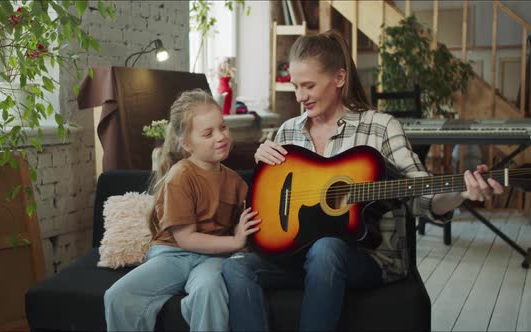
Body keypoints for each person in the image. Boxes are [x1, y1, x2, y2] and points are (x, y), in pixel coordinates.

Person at [221, 30, 504, 331]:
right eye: (295, 86)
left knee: (327, 249)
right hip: (296, 254)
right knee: (236, 267)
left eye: (309, 85)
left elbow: (423, 199)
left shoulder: (381, 127)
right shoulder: (288, 131)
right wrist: (263, 170)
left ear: (339, 78)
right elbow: (271, 200)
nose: (299, 96)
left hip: (368, 258)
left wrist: (461, 192)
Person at [104, 89, 260, 331]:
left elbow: (246, 231)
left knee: (209, 291)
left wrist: (245, 240)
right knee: (117, 295)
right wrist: (236, 241)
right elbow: (186, 239)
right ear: (187, 144)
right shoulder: (181, 175)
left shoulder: (238, 183)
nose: (220, 137)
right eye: (208, 133)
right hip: (172, 254)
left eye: (223, 127)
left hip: (213, 258)